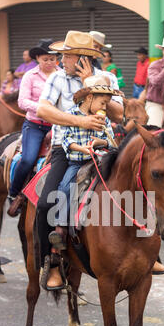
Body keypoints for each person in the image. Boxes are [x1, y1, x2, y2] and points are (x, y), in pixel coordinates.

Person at [35, 30, 123, 291]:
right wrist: (80, 120)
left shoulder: (105, 78)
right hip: (67, 150)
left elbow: (118, 114)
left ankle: (150, 251)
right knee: (46, 202)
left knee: (135, 186)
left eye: (67, 55)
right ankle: (51, 263)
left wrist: (92, 83)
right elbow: (43, 109)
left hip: (102, 147)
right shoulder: (57, 78)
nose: (61, 59)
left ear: (83, 58)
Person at [45, 76, 118, 289]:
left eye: (106, 103)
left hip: (100, 162)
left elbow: (112, 141)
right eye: (102, 103)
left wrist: (100, 141)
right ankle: (60, 229)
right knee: (65, 187)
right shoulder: (72, 114)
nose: (105, 107)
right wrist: (82, 148)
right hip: (77, 163)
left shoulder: (102, 119)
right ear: (89, 98)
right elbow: (66, 141)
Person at [7, 39, 58, 216]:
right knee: (28, 159)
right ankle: (14, 193)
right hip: (35, 125)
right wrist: (43, 109)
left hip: (57, 125)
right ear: (37, 58)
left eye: (53, 59)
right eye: (46, 59)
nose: (50, 63)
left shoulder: (62, 75)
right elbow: (22, 101)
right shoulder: (29, 75)